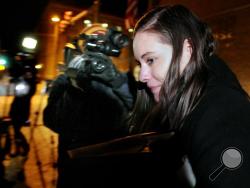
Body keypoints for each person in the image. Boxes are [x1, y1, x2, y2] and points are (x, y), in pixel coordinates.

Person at [129, 4, 250, 188]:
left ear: (188, 49)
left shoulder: (222, 113)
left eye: (151, 60)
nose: (142, 76)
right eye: (141, 63)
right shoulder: (186, 107)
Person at [43, 43, 136, 186]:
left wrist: (115, 80)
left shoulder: (119, 80)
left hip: (111, 165)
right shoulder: (65, 81)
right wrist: (73, 84)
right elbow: (52, 120)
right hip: (73, 167)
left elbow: (134, 114)